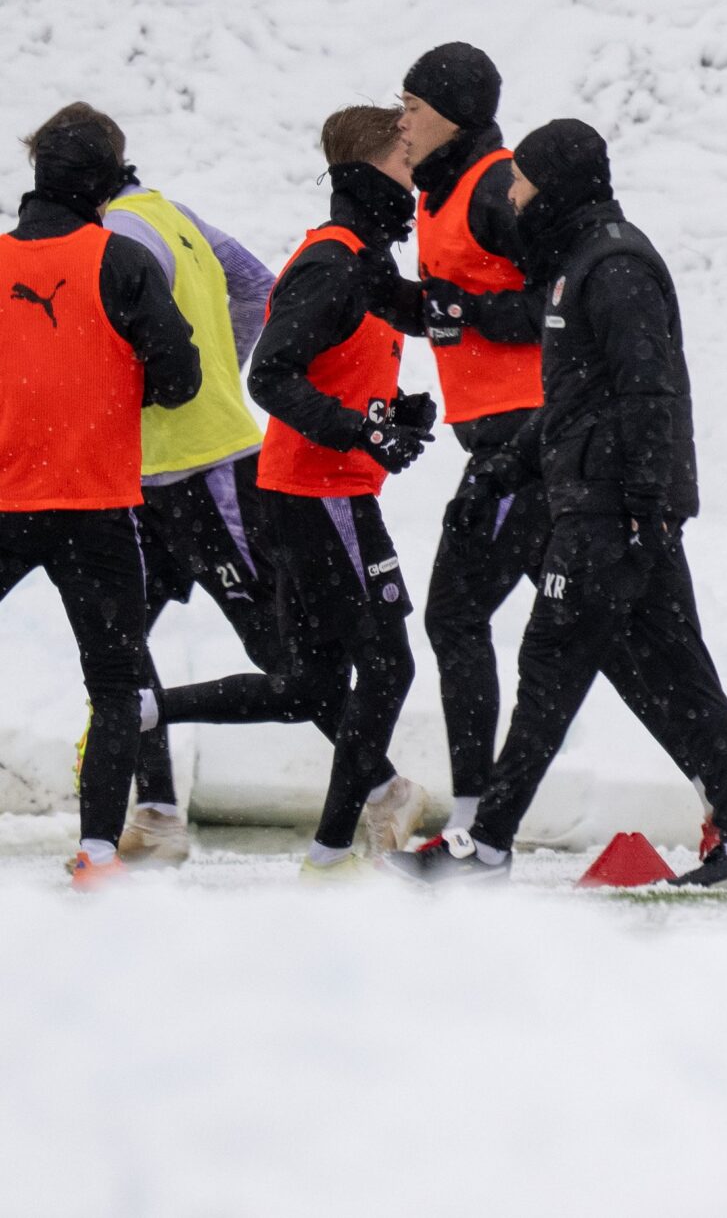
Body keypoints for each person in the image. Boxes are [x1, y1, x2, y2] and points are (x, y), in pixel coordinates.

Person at [388, 119, 727, 887]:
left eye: (525, 181)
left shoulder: (616, 265)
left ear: (558, 184)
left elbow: (649, 393)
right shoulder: (578, 264)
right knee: (679, 673)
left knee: (552, 664)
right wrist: (503, 468)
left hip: (611, 514)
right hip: (608, 504)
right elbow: (574, 403)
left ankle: (487, 843)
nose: (515, 195)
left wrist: (642, 507)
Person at [148, 106, 435, 879]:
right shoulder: (333, 263)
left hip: (311, 492)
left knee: (306, 683)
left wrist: (390, 411)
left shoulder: (361, 262)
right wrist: (359, 432)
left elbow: (332, 367)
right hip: (320, 494)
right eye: (410, 164)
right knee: (387, 667)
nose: (420, 180)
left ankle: (143, 708)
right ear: (369, 174)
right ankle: (331, 854)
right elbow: (271, 375)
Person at [1, 107, 200, 888]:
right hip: (94, 506)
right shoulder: (119, 262)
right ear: (105, 177)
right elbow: (179, 380)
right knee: (116, 684)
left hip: (6, 499)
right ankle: (96, 853)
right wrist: (110, 386)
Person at [87, 118, 286, 865]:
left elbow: (262, 292)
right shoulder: (170, 212)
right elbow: (255, 285)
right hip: (150, 477)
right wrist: (220, 369)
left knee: (277, 648)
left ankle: (379, 786)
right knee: (118, 636)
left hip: (208, 468)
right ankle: (160, 808)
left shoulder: (120, 235)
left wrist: (202, 386)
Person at [396, 43, 547, 846]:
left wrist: (472, 315)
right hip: (501, 442)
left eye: (413, 107)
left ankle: (474, 818)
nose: (402, 122)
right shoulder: (443, 188)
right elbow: (451, 302)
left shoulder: (494, 185)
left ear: (452, 116)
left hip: (527, 441)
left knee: (455, 614)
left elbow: (564, 297)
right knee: (622, 639)